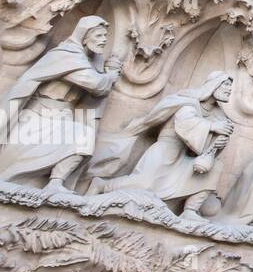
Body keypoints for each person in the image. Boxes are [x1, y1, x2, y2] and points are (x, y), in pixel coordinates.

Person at [0, 17, 121, 191]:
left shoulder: (85, 61)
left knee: (83, 137)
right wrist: (111, 75)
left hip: (62, 117)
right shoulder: (66, 56)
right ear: (84, 36)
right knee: (81, 135)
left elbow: (97, 86)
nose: (104, 40)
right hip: (39, 115)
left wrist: (103, 70)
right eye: (98, 35)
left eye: (105, 36)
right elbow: (96, 85)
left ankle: (55, 183)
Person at [87, 71, 236, 218]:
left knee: (215, 167)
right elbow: (185, 122)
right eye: (226, 85)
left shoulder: (218, 114)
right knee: (142, 184)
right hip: (167, 149)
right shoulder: (189, 101)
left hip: (185, 157)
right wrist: (212, 127)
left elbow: (209, 146)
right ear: (213, 85)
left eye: (231, 86)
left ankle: (190, 210)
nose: (229, 89)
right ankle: (101, 185)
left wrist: (219, 141)